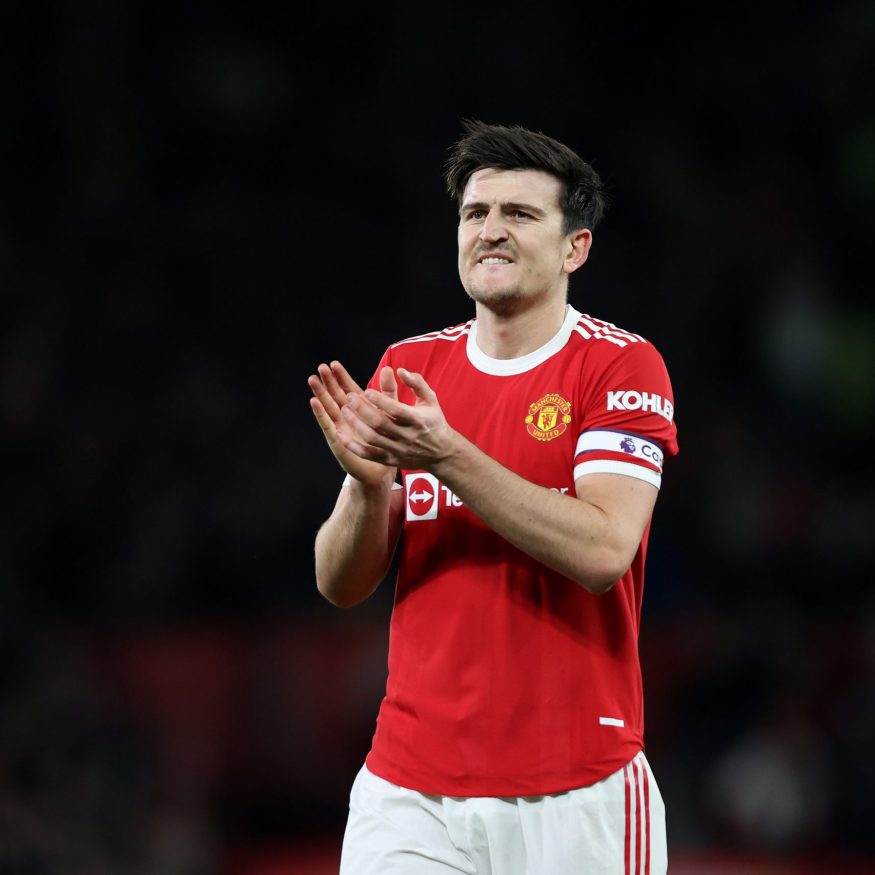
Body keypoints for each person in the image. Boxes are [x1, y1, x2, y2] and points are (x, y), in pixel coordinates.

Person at [308, 119, 678, 875]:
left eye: (519, 214)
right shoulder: (409, 368)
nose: (490, 230)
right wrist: (365, 485)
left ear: (574, 246)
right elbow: (339, 583)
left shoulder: (617, 365)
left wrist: (445, 454)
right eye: (475, 213)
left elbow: (605, 549)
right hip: (408, 787)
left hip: (575, 786)